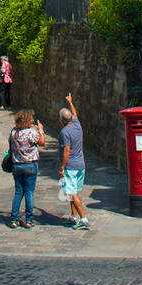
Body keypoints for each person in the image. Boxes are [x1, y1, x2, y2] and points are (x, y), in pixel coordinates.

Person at [8, 108, 45, 228]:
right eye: (31, 118)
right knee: (29, 192)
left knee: (18, 192)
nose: (33, 120)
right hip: (30, 164)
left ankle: (14, 219)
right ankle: (29, 219)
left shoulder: (14, 132)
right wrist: (41, 130)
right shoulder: (31, 132)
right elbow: (42, 142)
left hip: (17, 165)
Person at [58, 93, 88, 229]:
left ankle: (84, 219)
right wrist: (70, 102)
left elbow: (66, 151)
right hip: (81, 164)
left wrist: (62, 167)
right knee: (72, 191)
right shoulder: (77, 125)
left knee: (72, 193)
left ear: (62, 120)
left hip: (71, 166)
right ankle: (73, 217)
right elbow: (75, 114)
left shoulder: (65, 132)